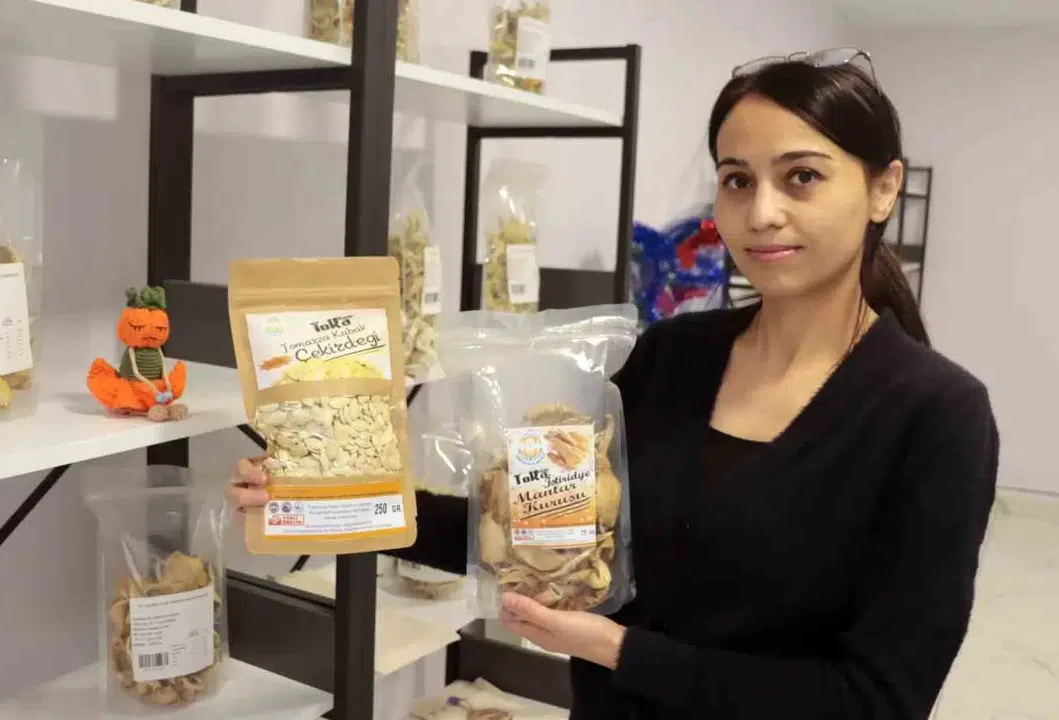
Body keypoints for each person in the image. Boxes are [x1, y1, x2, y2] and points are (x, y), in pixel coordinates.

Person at [230, 48, 999, 720]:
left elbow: (876, 700)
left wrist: (618, 650)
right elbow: (544, 530)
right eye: (737, 180)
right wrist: (343, 501)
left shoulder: (936, 415)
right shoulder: (672, 357)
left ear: (883, 189)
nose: (763, 213)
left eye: (802, 177)